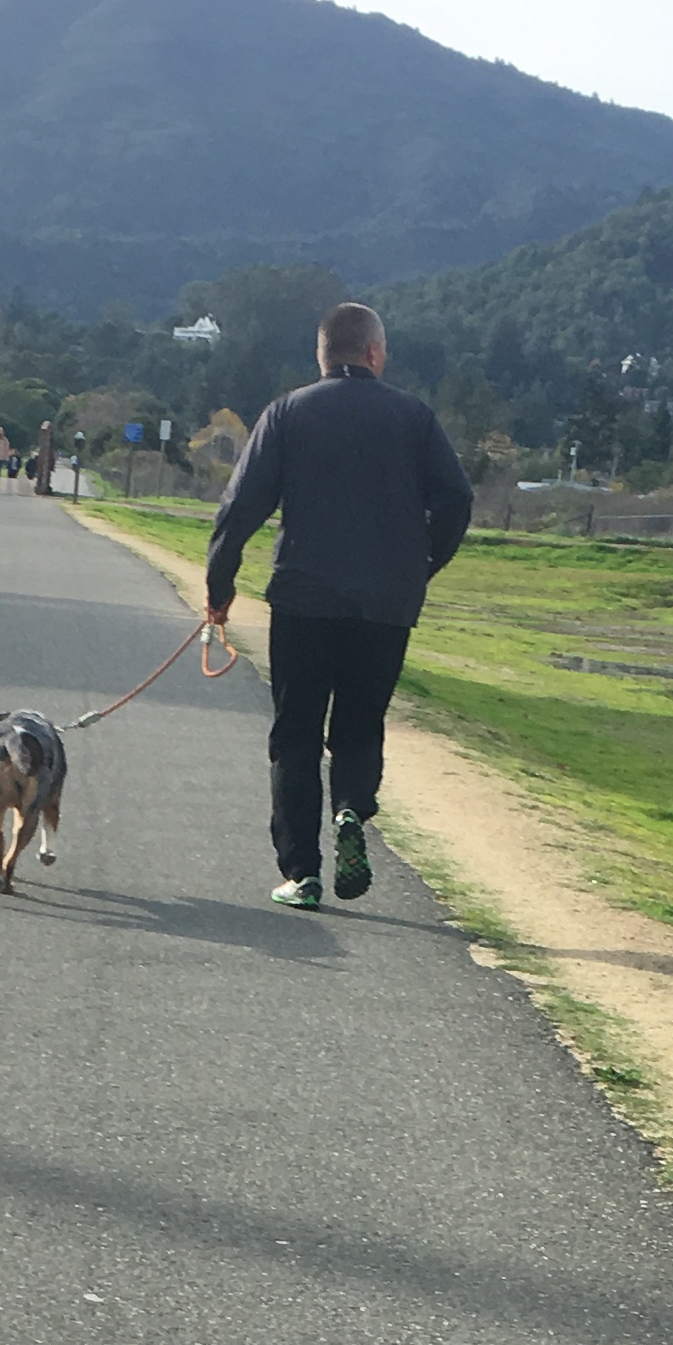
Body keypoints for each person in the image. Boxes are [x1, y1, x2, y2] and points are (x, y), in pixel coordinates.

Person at [203, 302, 473, 908]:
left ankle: (302, 872)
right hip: (386, 606)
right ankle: (350, 810)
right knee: (358, 726)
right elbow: (456, 499)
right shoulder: (414, 416)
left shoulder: (288, 413)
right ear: (374, 354)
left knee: (295, 733)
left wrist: (220, 586)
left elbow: (240, 506)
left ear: (322, 357)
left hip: (304, 598)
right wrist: (421, 567)